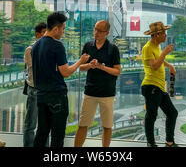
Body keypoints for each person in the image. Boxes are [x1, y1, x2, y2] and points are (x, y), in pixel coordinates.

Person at [32, 12, 90, 147]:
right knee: (57, 136)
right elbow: (66, 72)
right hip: (56, 96)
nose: (63, 32)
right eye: (63, 29)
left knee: (41, 133)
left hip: (41, 95)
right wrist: (80, 61)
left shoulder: (35, 46)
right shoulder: (57, 45)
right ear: (56, 28)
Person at [74, 20, 121, 147]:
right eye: (95, 29)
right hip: (90, 91)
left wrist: (102, 67)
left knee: (107, 126)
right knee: (82, 124)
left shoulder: (113, 49)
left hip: (107, 93)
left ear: (106, 33)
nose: (96, 33)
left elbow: (117, 71)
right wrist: (90, 65)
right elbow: (81, 67)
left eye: (100, 31)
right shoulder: (88, 46)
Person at [140, 21, 178, 147]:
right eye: (163, 33)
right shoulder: (147, 48)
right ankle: (151, 143)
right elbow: (155, 65)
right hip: (151, 86)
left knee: (172, 113)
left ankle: (169, 142)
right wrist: (164, 53)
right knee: (151, 115)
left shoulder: (157, 46)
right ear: (156, 35)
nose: (165, 35)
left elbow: (159, 61)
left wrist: (169, 65)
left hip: (160, 86)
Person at [23, 22, 47, 147]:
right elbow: (39, 67)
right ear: (37, 34)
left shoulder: (49, 48)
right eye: (44, 32)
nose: (47, 35)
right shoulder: (30, 49)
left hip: (46, 90)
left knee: (45, 125)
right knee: (30, 124)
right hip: (35, 89)